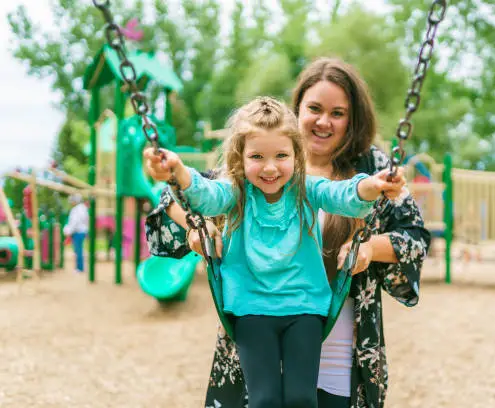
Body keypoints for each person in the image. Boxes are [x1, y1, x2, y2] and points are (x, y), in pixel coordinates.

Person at [144, 57, 431, 407]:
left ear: (353, 119)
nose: (324, 121)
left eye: (338, 113)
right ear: (297, 112)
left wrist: (369, 245)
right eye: (314, 108)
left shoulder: (370, 166)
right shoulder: (257, 156)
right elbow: (186, 196)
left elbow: (409, 235)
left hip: (332, 332)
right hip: (255, 313)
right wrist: (198, 226)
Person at [63, 193, 89, 273]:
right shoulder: (83, 208)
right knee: (79, 250)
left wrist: (68, 231)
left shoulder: (76, 210)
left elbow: (74, 222)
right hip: (82, 231)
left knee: (78, 250)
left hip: (77, 232)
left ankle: (79, 268)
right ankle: (80, 267)